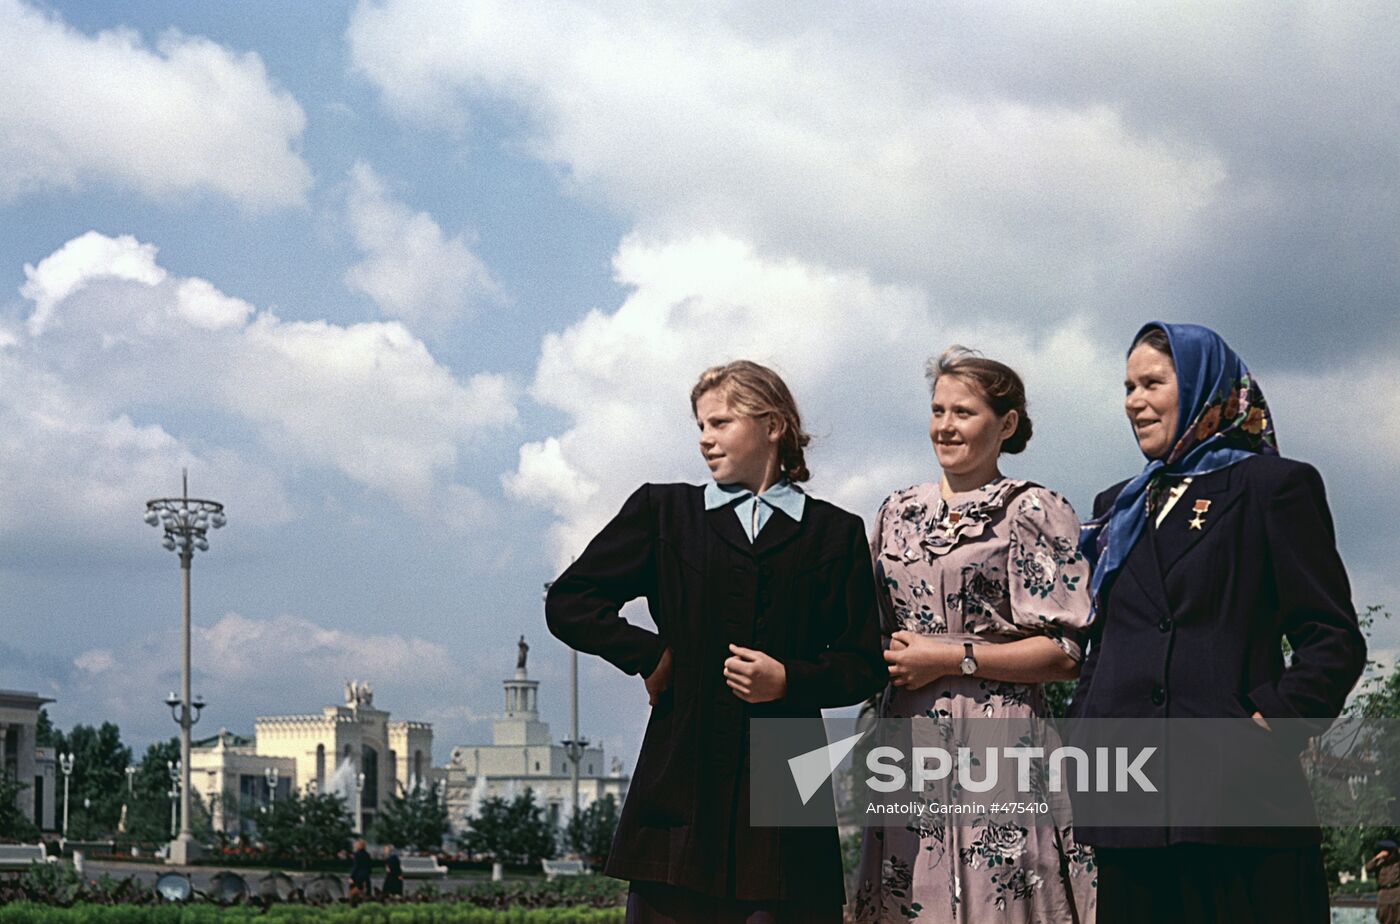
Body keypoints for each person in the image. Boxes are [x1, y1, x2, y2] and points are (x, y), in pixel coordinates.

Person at [546, 359, 884, 923]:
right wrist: (649, 655)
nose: (705, 439)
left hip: (788, 773)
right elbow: (570, 600)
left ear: (773, 425)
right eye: (700, 425)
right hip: (682, 765)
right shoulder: (664, 512)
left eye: (720, 422)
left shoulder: (834, 532)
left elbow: (863, 664)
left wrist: (789, 679)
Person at [1070, 322, 1366, 923]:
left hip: (1237, 806)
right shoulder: (1115, 507)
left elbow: (1331, 639)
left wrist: (1271, 723)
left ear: (1208, 389)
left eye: (1153, 382)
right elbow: (1103, 643)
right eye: (1127, 386)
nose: (1135, 400)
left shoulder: (1274, 486)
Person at [851, 347, 1096, 923]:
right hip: (908, 742)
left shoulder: (1033, 508)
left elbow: (1065, 653)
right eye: (938, 410)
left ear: (1005, 424)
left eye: (963, 412)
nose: (945, 425)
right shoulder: (896, 511)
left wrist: (951, 658)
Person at [1368, 840, 1400, 924]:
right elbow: (1368, 868)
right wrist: (1377, 858)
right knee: (1384, 917)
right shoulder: (1379, 863)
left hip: (1396, 893)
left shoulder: (1397, 862)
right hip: (1383, 895)